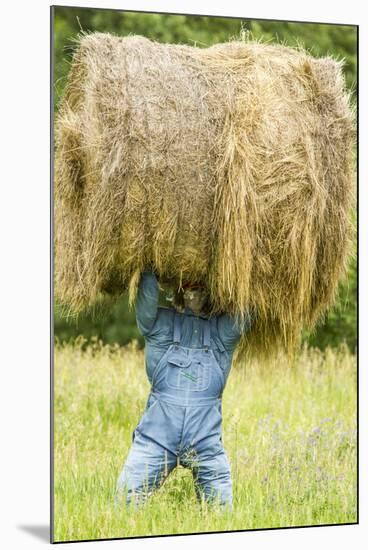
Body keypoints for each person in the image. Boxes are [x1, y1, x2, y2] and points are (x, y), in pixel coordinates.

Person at [114, 271, 253, 510]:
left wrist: (245, 265)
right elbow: (145, 303)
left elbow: (248, 308)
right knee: (125, 502)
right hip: (156, 438)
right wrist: (149, 263)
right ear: (178, 292)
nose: (194, 291)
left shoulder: (222, 333)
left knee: (222, 512)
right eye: (188, 286)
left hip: (205, 441)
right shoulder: (161, 326)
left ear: (212, 293)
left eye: (200, 286)